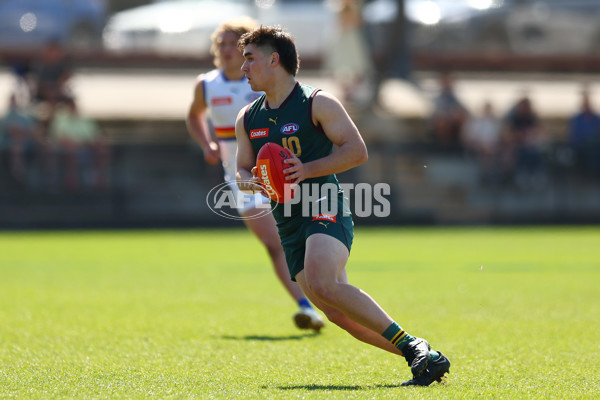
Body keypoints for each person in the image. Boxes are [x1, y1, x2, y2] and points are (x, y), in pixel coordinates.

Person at [234, 25, 450, 386]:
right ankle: (420, 355)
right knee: (335, 312)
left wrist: (306, 169)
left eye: (249, 59)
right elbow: (242, 166)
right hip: (287, 219)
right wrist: (250, 179)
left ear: (274, 60)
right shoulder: (248, 118)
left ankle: (414, 346)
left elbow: (356, 150)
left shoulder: (317, 103)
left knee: (322, 279)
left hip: (323, 202)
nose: (243, 68)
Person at [185, 17, 324, 332]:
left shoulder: (265, 81)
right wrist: (206, 142)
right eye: (220, 43)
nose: (225, 49)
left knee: (298, 236)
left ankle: (326, 294)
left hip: (285, 170)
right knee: (275, 243)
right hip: (243, 176)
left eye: (232, 44)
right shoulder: (207, 84)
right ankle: (307, 306)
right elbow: (194, 116)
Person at [47, 98, 110, 191]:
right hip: (67, 150)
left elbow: (96, 136)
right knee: (71, 149)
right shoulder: (60, 120)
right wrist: (75, 143)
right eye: (70, 106)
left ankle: (100, 179)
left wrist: (92, 142)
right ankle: (72, 182)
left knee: (102, 149)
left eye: (74, 105)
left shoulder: (86, 121)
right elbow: (57, 137)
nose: (73, 108)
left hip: (87, 148)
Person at [324, 0, 374, 107]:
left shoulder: (357, 7)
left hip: (353, 41)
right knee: (340, 67)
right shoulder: (336, 7)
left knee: (357, 68)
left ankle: (350, 92)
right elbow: (339, 24)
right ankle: (346, 92)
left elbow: (360, 22)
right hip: (343, 40)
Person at [429, 72, 468, 152]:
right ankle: (442, 147)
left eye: (449, 81)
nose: (447, 84)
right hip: (437, 126)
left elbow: (463, 111)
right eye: (445, 81)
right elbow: (434, 113)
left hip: (454, 128)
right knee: (441, 121)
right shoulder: (435, 98)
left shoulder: (456, 98)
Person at [567, 89, 600, 175]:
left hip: (595, 146)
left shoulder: (596, 118)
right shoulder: (577, 119)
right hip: (581, 146)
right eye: (585, 104)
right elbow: (574, 135)